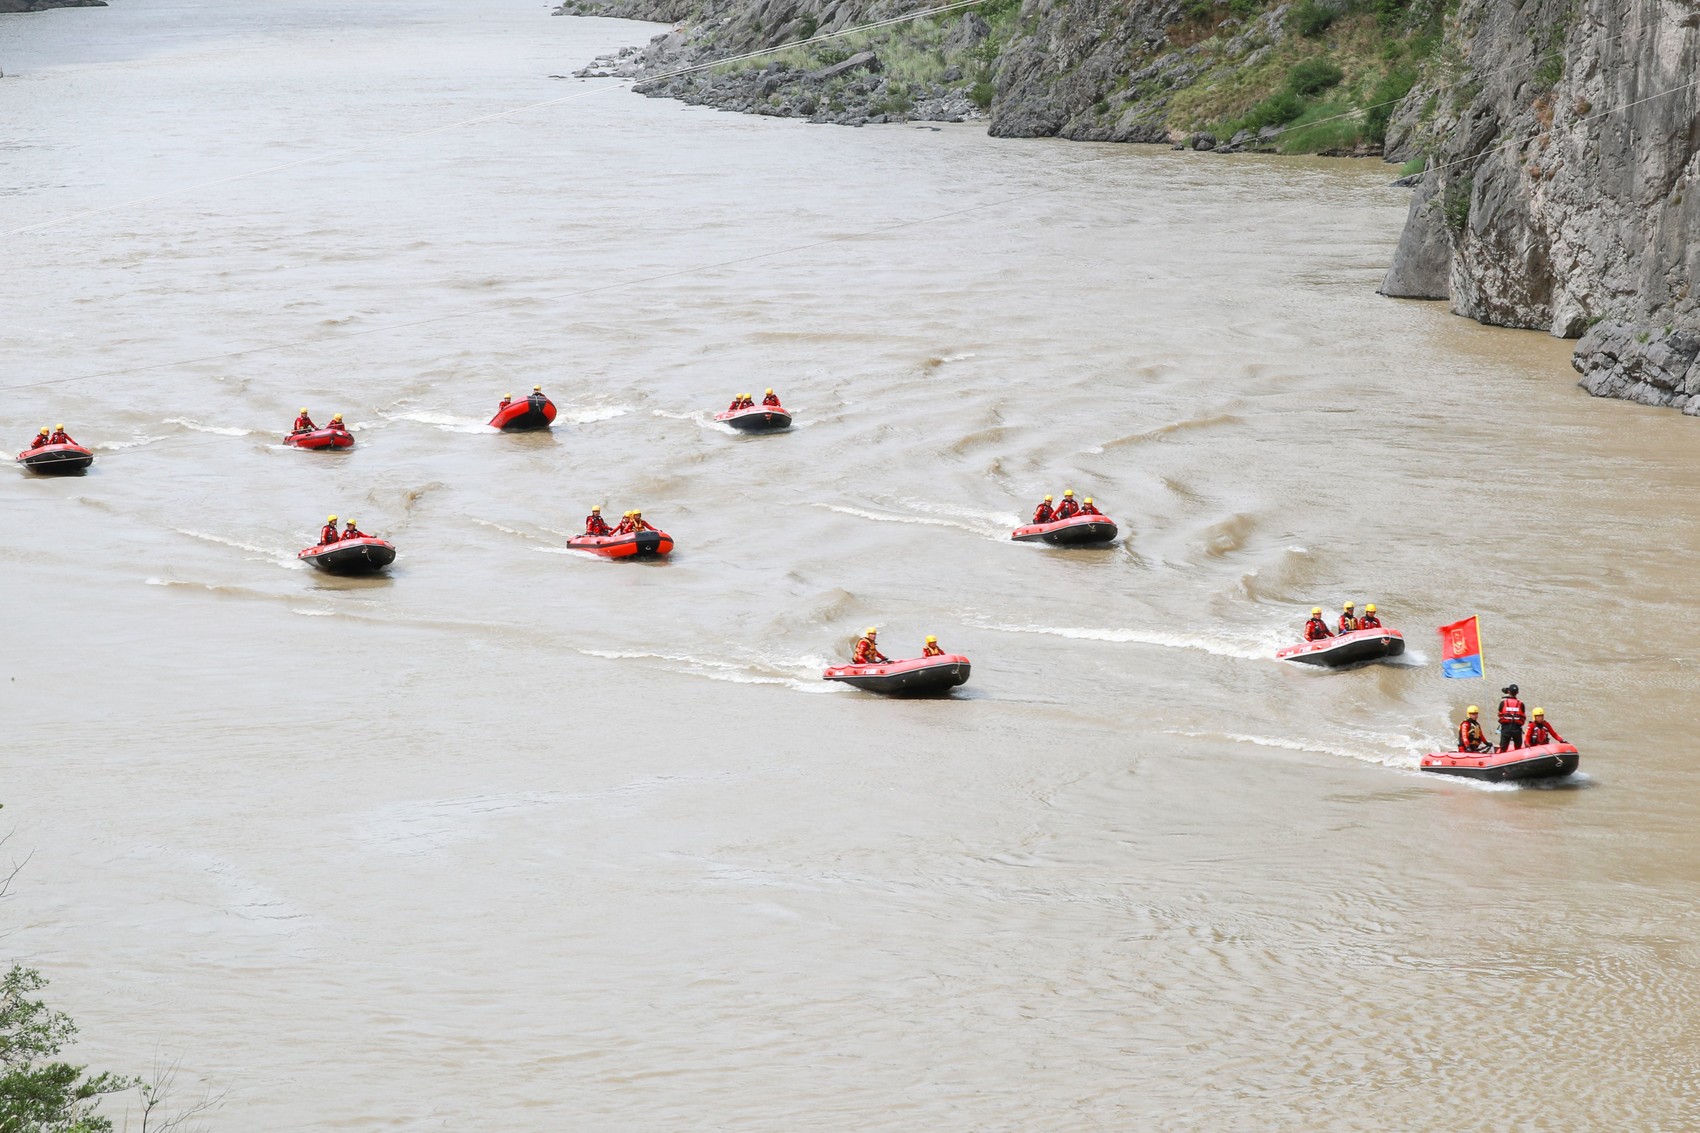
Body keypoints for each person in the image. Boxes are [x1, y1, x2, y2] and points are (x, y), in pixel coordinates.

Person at [1496, 684, 1527, 752]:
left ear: (1508, 692)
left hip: (1506, 728)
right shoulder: (1521, 704)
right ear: (1517, 692)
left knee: (1503, 748)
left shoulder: (1503, 703)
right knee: (1518, 748)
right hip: (1517, 729)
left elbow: (1499, 714)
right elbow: (1523, 716)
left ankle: (1501, 756)